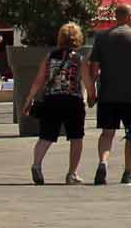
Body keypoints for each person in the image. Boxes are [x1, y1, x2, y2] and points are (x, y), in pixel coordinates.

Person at [86, 2, 131, 185]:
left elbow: (93, 69)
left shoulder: (102, 37)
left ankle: (103, 162)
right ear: (129, 17)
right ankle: (128, 172)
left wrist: (92, 92)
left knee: (107, 133)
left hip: (107, 93)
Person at [26, 21, 90, 185]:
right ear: (78, 39)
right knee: (76, 138)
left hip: (51, 100)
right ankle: (72, 173)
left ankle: (37, 164)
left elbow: (39, 80)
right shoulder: (79, 59)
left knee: (46, 136)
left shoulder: (50, 56)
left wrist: (29, 98)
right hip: (72, 101)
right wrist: (92, 96)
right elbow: (88, 82)